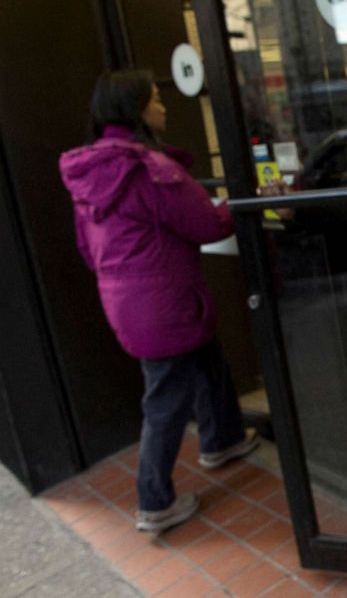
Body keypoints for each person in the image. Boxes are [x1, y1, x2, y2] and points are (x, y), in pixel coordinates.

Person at [59, 70, 258, 532]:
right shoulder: (149, 169)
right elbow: (207, 225)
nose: (164, 108)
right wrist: (243, 202)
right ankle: (154, 501)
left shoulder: (90, 173)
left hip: (126, 301)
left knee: (206, 361)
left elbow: (88, 250)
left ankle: (222, 438)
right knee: (166, 397)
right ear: (137, 111)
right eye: (155, 100)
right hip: (164, 301)